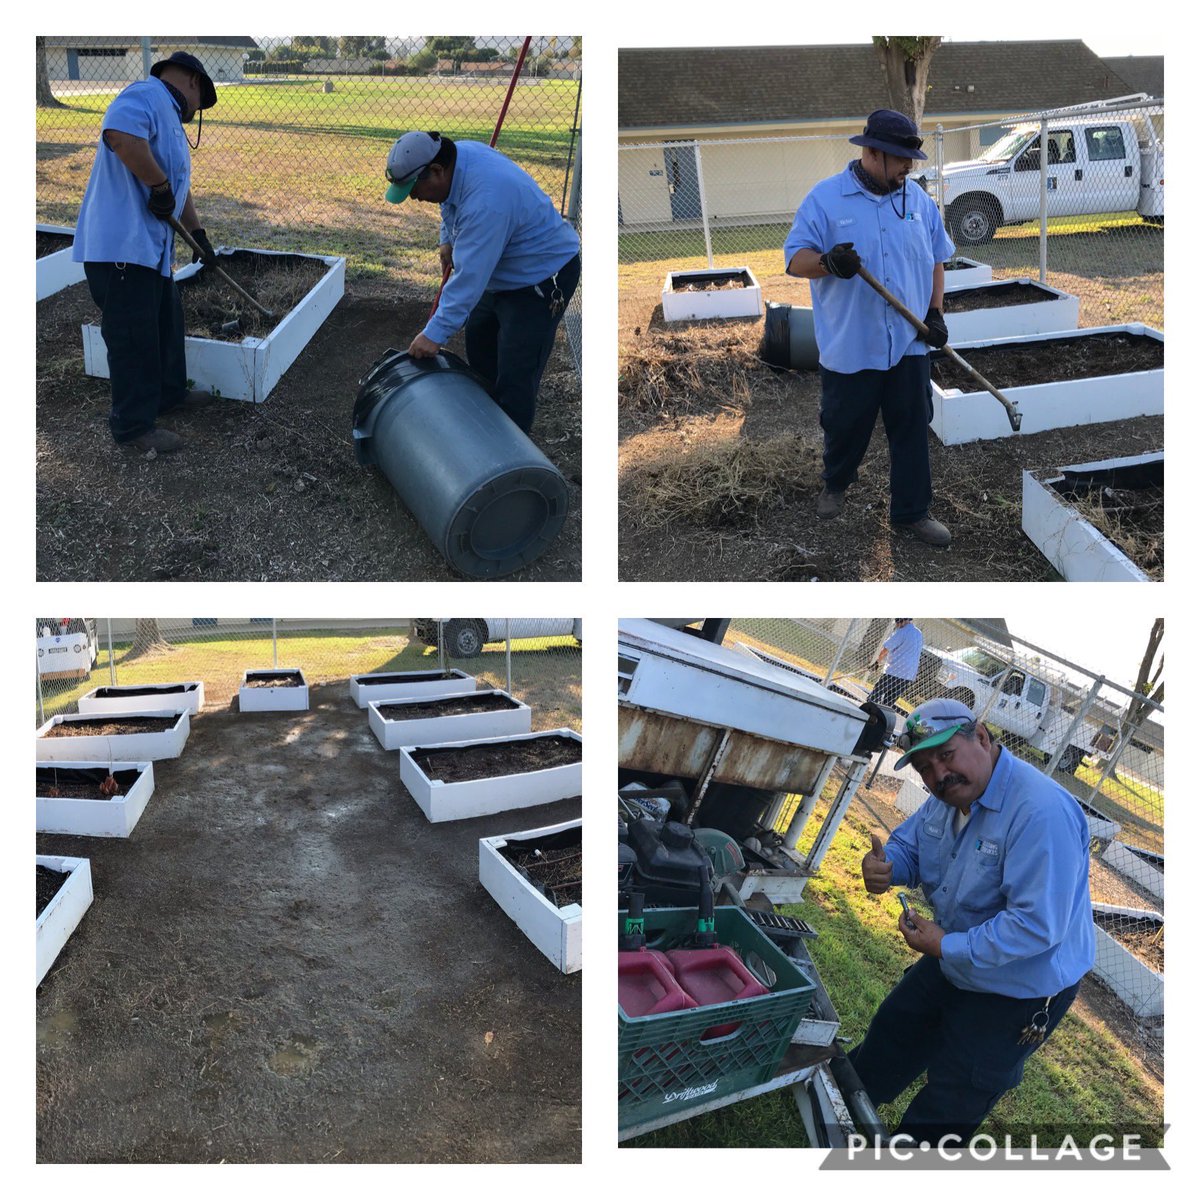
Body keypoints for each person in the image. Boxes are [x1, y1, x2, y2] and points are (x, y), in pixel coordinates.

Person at [851, 699, 1095, 1142]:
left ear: (981, 737)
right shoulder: (949, 797)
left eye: (946, 756)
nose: (939, 776)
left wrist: (945, 945)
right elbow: (912, 846)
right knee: (894, 1029)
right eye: (925, 768)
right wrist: (889, 869)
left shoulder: (1039, 812)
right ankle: (845, 1105)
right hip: (956, 952)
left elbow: (1036, 926)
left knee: (955, 1093)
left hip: (1019, 985)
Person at [783, 109, 956, 546]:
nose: (908, 167)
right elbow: (793, 260)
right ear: (872, 153)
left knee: (913, 429)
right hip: (852, 345)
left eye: (910, 158)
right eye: (899, 158)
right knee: (845, 425)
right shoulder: (825, 200)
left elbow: (936, 259)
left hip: (908, 345)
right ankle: (836, 483)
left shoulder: (918, 202)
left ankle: (912, 513)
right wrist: (828, 263)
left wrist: (935, 314)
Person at [384, 130, 581, 434]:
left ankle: (510, 451)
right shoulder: (458, 159)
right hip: (504, 272)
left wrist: (433, 335)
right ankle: (487, 424)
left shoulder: (487, 201)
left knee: (517, 371)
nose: (413, 196)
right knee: (480, 343)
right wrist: (447, 239)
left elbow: (468, 282)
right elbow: (450, 203)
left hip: (541, 279)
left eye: (414, 188)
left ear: (436, 170)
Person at [72, 51, 219, 455]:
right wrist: (157, 186)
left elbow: (178, 187)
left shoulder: (168, 116)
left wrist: (199, 234)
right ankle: (133, 427)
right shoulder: (146, 94)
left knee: (166, 325)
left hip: (149, 254)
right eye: (199, 100)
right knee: (134, 338)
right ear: (191, 80)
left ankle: (168, 395)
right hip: (121, 249)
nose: (196, 110)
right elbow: (119, 134)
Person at [867, 618, 923, 709]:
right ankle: (882, 716)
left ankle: (867, 711)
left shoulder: (901, 632)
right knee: (888, 702)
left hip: (895, 670)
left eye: (896, 622)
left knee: (876, 694)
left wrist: (877, 662)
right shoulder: (918, 633)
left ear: (901, 620)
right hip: (908, 675)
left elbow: (886, 649)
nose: (896, 625)